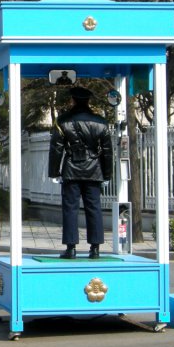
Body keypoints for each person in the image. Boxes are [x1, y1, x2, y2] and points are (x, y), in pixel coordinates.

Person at [48, 86, 113, 259]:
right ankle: (95, 248)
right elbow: (107, 151)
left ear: (73, 100)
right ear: (88, 101)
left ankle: (71, 248)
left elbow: (56, 149)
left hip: (71, 169)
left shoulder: (63, 121)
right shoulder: (100, 122)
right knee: (94, 208)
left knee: (70, 209)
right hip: (94, 169)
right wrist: (107, 175)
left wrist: (54, 172)